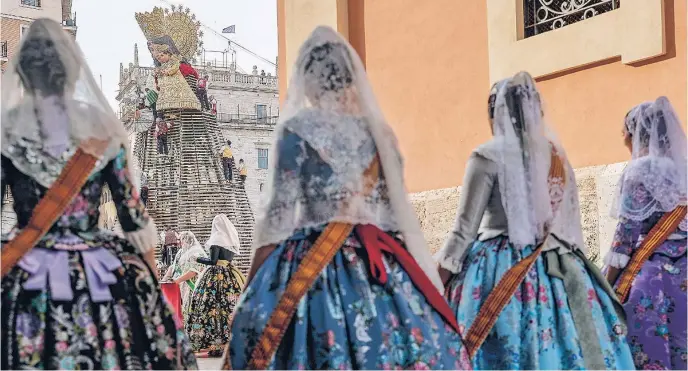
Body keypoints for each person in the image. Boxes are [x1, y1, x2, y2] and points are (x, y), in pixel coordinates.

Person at [224, 26, 471, 370]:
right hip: (381, 264)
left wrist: (249, 295)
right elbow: (397, 218)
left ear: (307, 81)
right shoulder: (379, 134)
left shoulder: (297, 131)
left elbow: (276, 221)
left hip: (311, 268)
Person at [0, 18, 197, 369]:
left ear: (24, 74)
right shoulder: (101, 128)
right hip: (99, 270)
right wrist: (147, 284)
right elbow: (134, 219)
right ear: (74, 73)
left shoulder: (8, 129)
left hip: (27, 263)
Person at [435, 72, 634, 370]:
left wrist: (437, 279)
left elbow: (463, 232)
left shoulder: (486, 156)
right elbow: (569, 222)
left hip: (496, 270)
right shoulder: (556, 155)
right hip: (558, 268)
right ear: (536, 109)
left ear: (495, 112)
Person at [603, 97, 687, 370]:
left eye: (625, 133)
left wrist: (606, 284)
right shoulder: (684, 168)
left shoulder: (640, 170)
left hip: (654, 278)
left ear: (636, 135)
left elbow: (626, 235)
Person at [186, 215, 246, 358]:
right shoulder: (230, 241)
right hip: (230, 275)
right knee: (228, 307)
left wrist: (197, 259)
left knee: (208, 307)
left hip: (214, 277)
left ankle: (213, 345)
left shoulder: (216, 241)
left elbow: (213, 261)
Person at [162, 231, 208, 317]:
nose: (177, 242)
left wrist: (177, 280)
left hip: (191, 286)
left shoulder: (196, 252)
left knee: (190, 310)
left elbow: (194, 271)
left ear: (186, 239)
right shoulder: (181, 252)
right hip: (180, 286)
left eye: (180, 239)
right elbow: (174, 267)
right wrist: (164, 280)